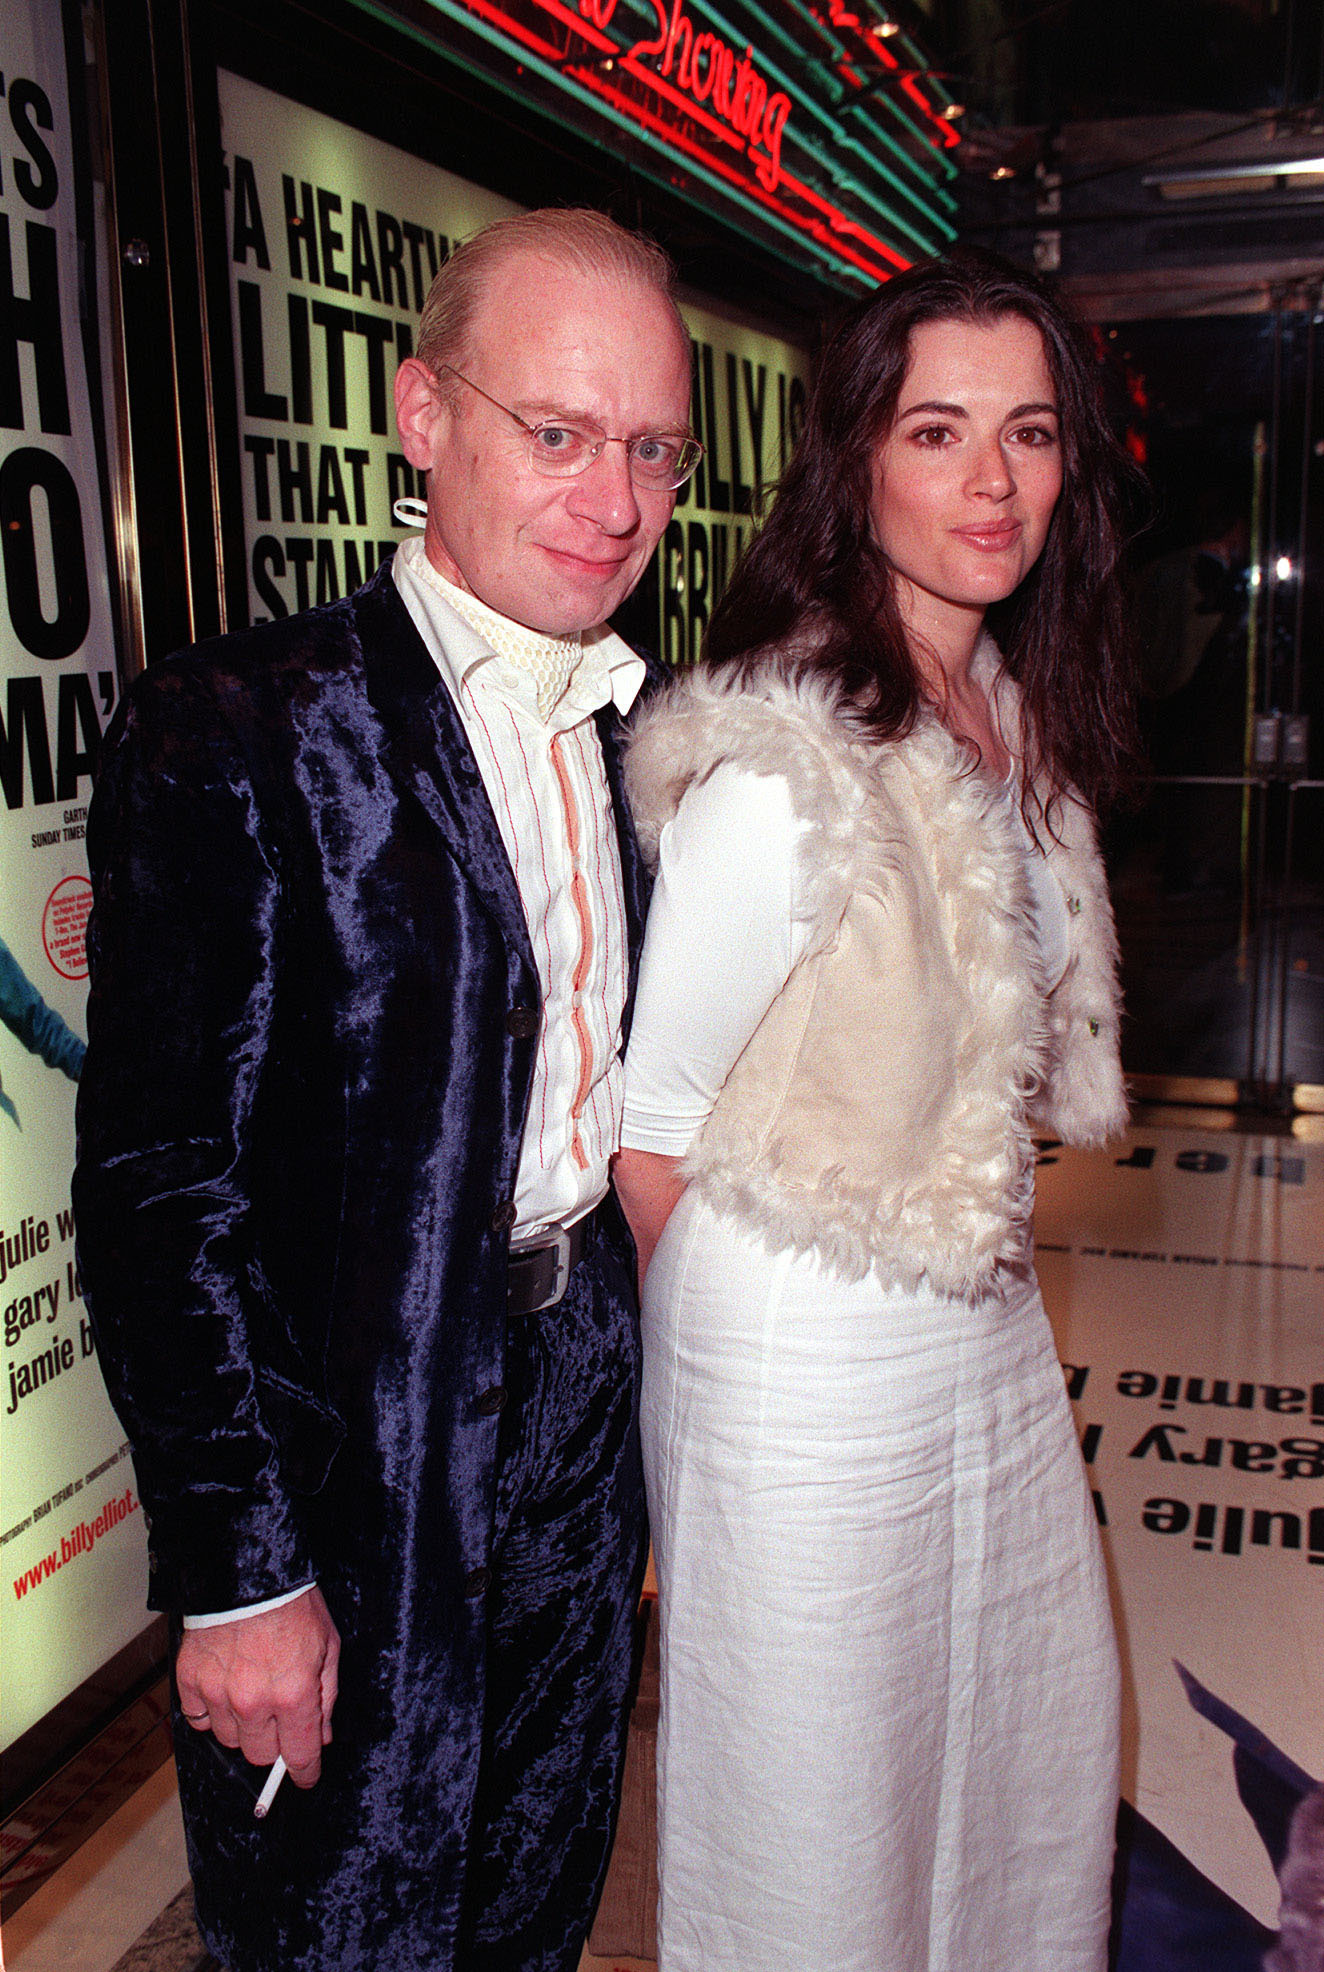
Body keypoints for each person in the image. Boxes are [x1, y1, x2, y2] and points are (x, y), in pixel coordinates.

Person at [73, 206, 699, 1972]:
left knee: (535, 1902)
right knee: (337, 1933)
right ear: (423, 416)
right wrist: (238, 1569)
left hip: (579, 1410)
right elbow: (153, 1186)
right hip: (350, 1470)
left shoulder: (651, 738)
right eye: (556, 433)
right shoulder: (242, 726)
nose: (614, 499)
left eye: (651, 449)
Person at [613, 250, 1138, 1972]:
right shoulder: (789, 760)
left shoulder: (1006, 712)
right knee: (814, 1823)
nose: (993, 481)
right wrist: (736, 1443)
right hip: (801, 1362)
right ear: (859, 461)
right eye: (939, 430)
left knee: (1022, 1753)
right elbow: (652, 1135)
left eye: (1032, 432)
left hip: (977, 1327)